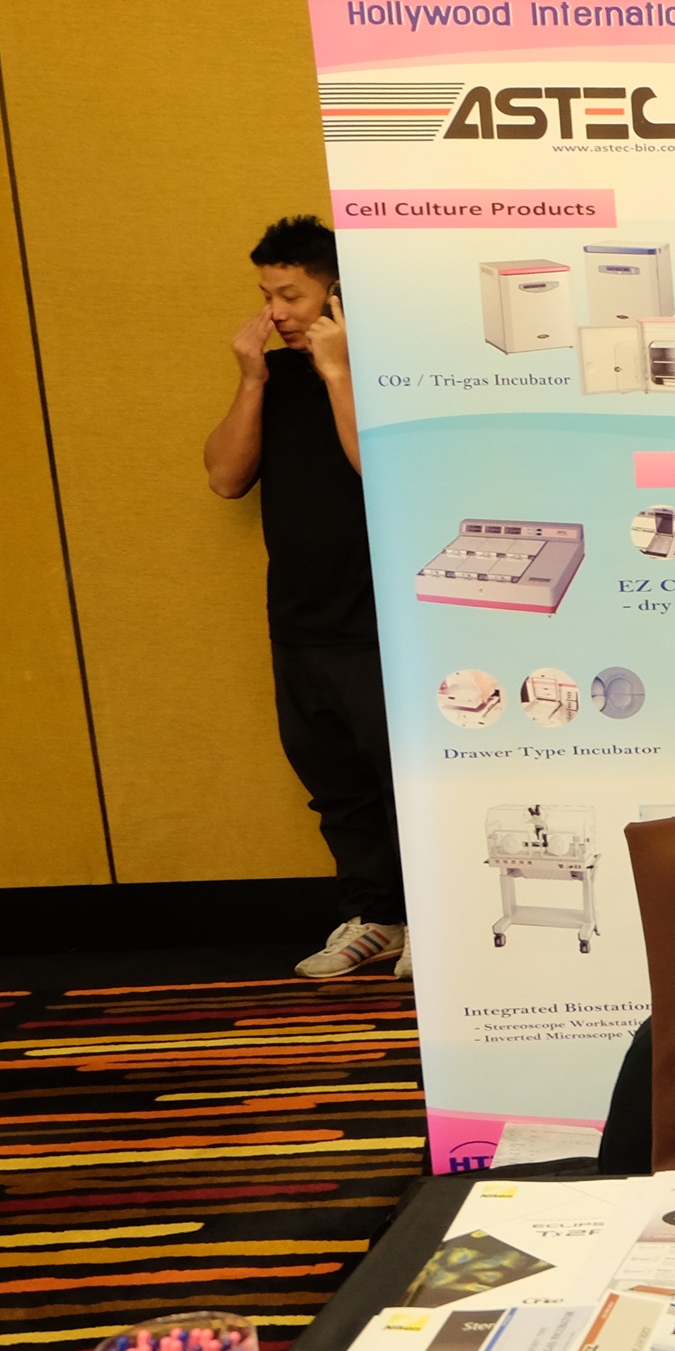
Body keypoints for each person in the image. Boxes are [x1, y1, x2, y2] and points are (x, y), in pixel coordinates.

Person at [201, 215, 408, 979]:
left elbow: (377, 471)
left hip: (379, 621)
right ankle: (376, 917)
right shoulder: (276, 378)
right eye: (267, 296)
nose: (276, 312)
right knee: (335, 785)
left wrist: (338, 372)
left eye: (290, 295)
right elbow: (225, 477)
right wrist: (252, 379)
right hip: (298, 618)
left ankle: (435, 922)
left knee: (401, 778)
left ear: (336, 294)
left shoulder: (378, 373)